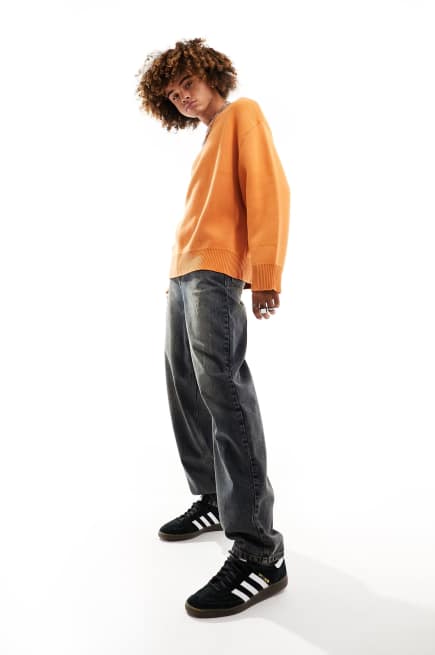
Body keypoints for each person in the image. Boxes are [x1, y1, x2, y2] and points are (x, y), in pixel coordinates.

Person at [135, 37, 290, 618]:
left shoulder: (242, 114)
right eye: (172, 94)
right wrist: (178, 276)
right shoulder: (209, 136)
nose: (182, 97)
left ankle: (259, 551)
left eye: (188, 84)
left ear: (210, 74)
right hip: (184, 272)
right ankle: (214, 499)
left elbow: (270, 191)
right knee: (185, 388)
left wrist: (266, 274)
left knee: (224, 392)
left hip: (215, 273)